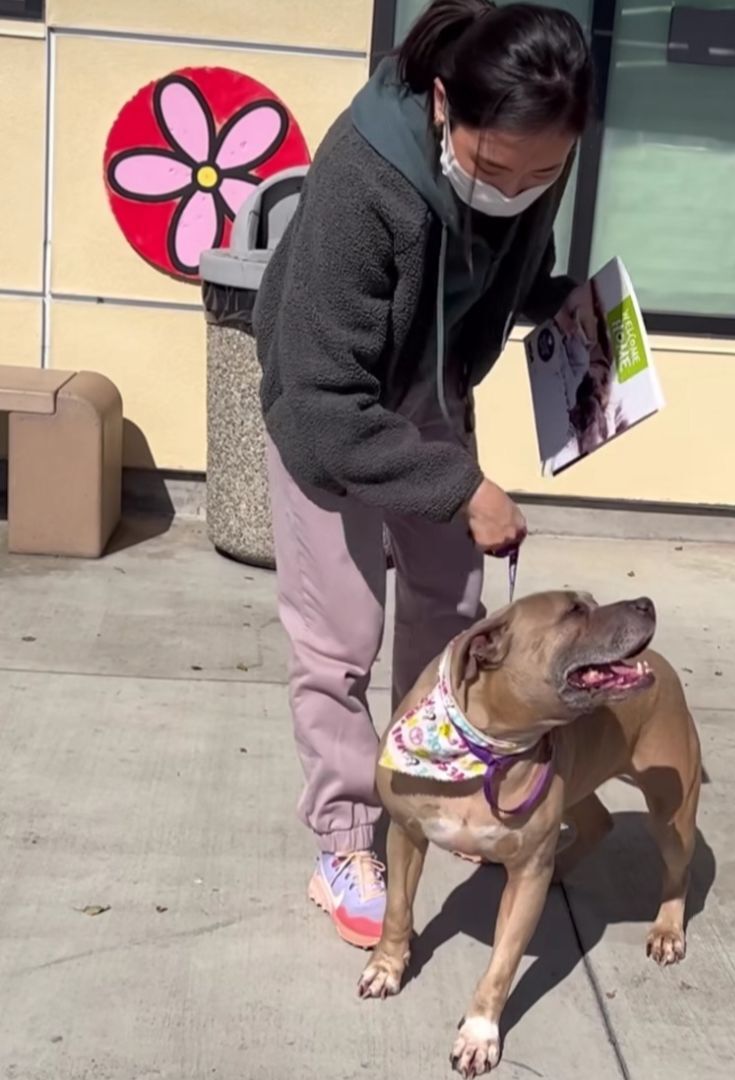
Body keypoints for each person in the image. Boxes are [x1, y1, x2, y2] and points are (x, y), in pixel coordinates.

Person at [253, 0, 594, 949]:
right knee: (340, 637)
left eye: (545, 171)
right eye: (493, 168)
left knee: (452, 612)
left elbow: (511, 268)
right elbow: (324, 407)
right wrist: (461, 488)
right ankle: (347, 837)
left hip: (430, 385)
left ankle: (437, 787)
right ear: (444, 103)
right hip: (325, 408)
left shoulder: (531, 160)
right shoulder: (363, 180)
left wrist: (583, 318)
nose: (517, 188)